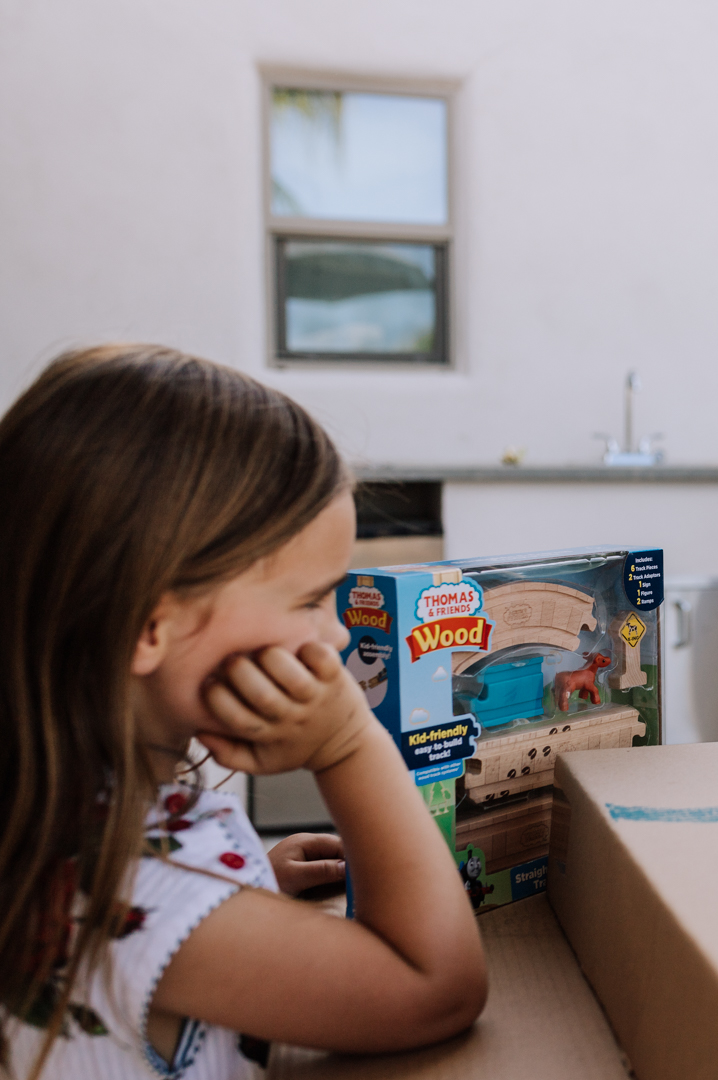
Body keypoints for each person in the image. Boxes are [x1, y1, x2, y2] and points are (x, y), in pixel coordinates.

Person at [0, 346, 486, 1080]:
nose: (339, 633)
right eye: (309, 600)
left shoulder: (55, 816)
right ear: (147, 628)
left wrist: (244, 883)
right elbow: (436, 987)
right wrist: (349, 746)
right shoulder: (125, 894)